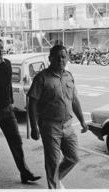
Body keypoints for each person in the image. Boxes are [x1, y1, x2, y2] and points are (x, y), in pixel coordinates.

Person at [27, 45, 88, 189]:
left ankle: (56, 179)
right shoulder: (42, 77)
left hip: (67, 125)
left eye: (63, 56)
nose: (60, 59)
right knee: (52, 162)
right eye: (57, 56)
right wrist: (34, 127)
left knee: (73, 158)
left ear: (67, 58)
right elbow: (32, 103)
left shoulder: (69, 76)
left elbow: (74, 100)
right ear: (50, 59)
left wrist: (82, 121)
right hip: (50, 126)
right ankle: (53, 186)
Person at [0, 38, 41, 184]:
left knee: (16, 141)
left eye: (2, 47)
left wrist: (11, 102)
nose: (0, 50)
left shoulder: (7, 64)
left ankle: (25, 172)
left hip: (7, 110)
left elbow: (8, 85)